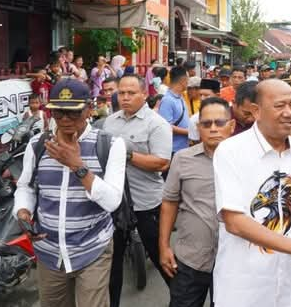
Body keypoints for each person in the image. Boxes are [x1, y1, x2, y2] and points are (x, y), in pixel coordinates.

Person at [212, 79, 291, 307]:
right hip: (245, 290)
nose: (289, 113)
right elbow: (235, 222)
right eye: (280, 106)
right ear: (256, 111)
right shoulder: (230, 151)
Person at [13, 79, 126, 307]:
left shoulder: (110, 145)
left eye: (73, 113)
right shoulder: (37, 145)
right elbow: (26, 187)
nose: (64, 119)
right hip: (49, 251)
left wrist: (77, 166)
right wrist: (23, 211)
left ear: (89, 109)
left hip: (92, 247)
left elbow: (113, 201)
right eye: (58, 112)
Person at [103, 75, 172, 307]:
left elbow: (162, 163)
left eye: (131, 93)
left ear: (144, 94)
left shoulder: (157, 124)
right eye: (121, 93)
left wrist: (128, 155)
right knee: (113, 264)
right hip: (115, 204)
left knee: (161, 256)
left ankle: (184, 300)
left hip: (146, 203)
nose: (125, 97)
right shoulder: (110, 122)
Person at [160, 97, 234, 307]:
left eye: (219, 123)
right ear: (198, 127)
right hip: (190, 260)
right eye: (206, 124)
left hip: (232, 263)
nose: (213, 129)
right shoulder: (182, 159)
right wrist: (164, 246)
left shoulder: (246, 161)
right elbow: (169, 202)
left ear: (231, 125)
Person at [159, 67, 190, 162]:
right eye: (187, 79)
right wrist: (189, 132)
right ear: (183, 81)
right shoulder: (168, 100)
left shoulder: (180, 97)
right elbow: (166, 126)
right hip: (173, 150)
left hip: (183, 148)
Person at [187, 78, 221, 142]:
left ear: (217, 96)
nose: (202, 98)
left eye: (206, 95)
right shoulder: (195, 119)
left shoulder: (228, 115)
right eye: (200, 95)